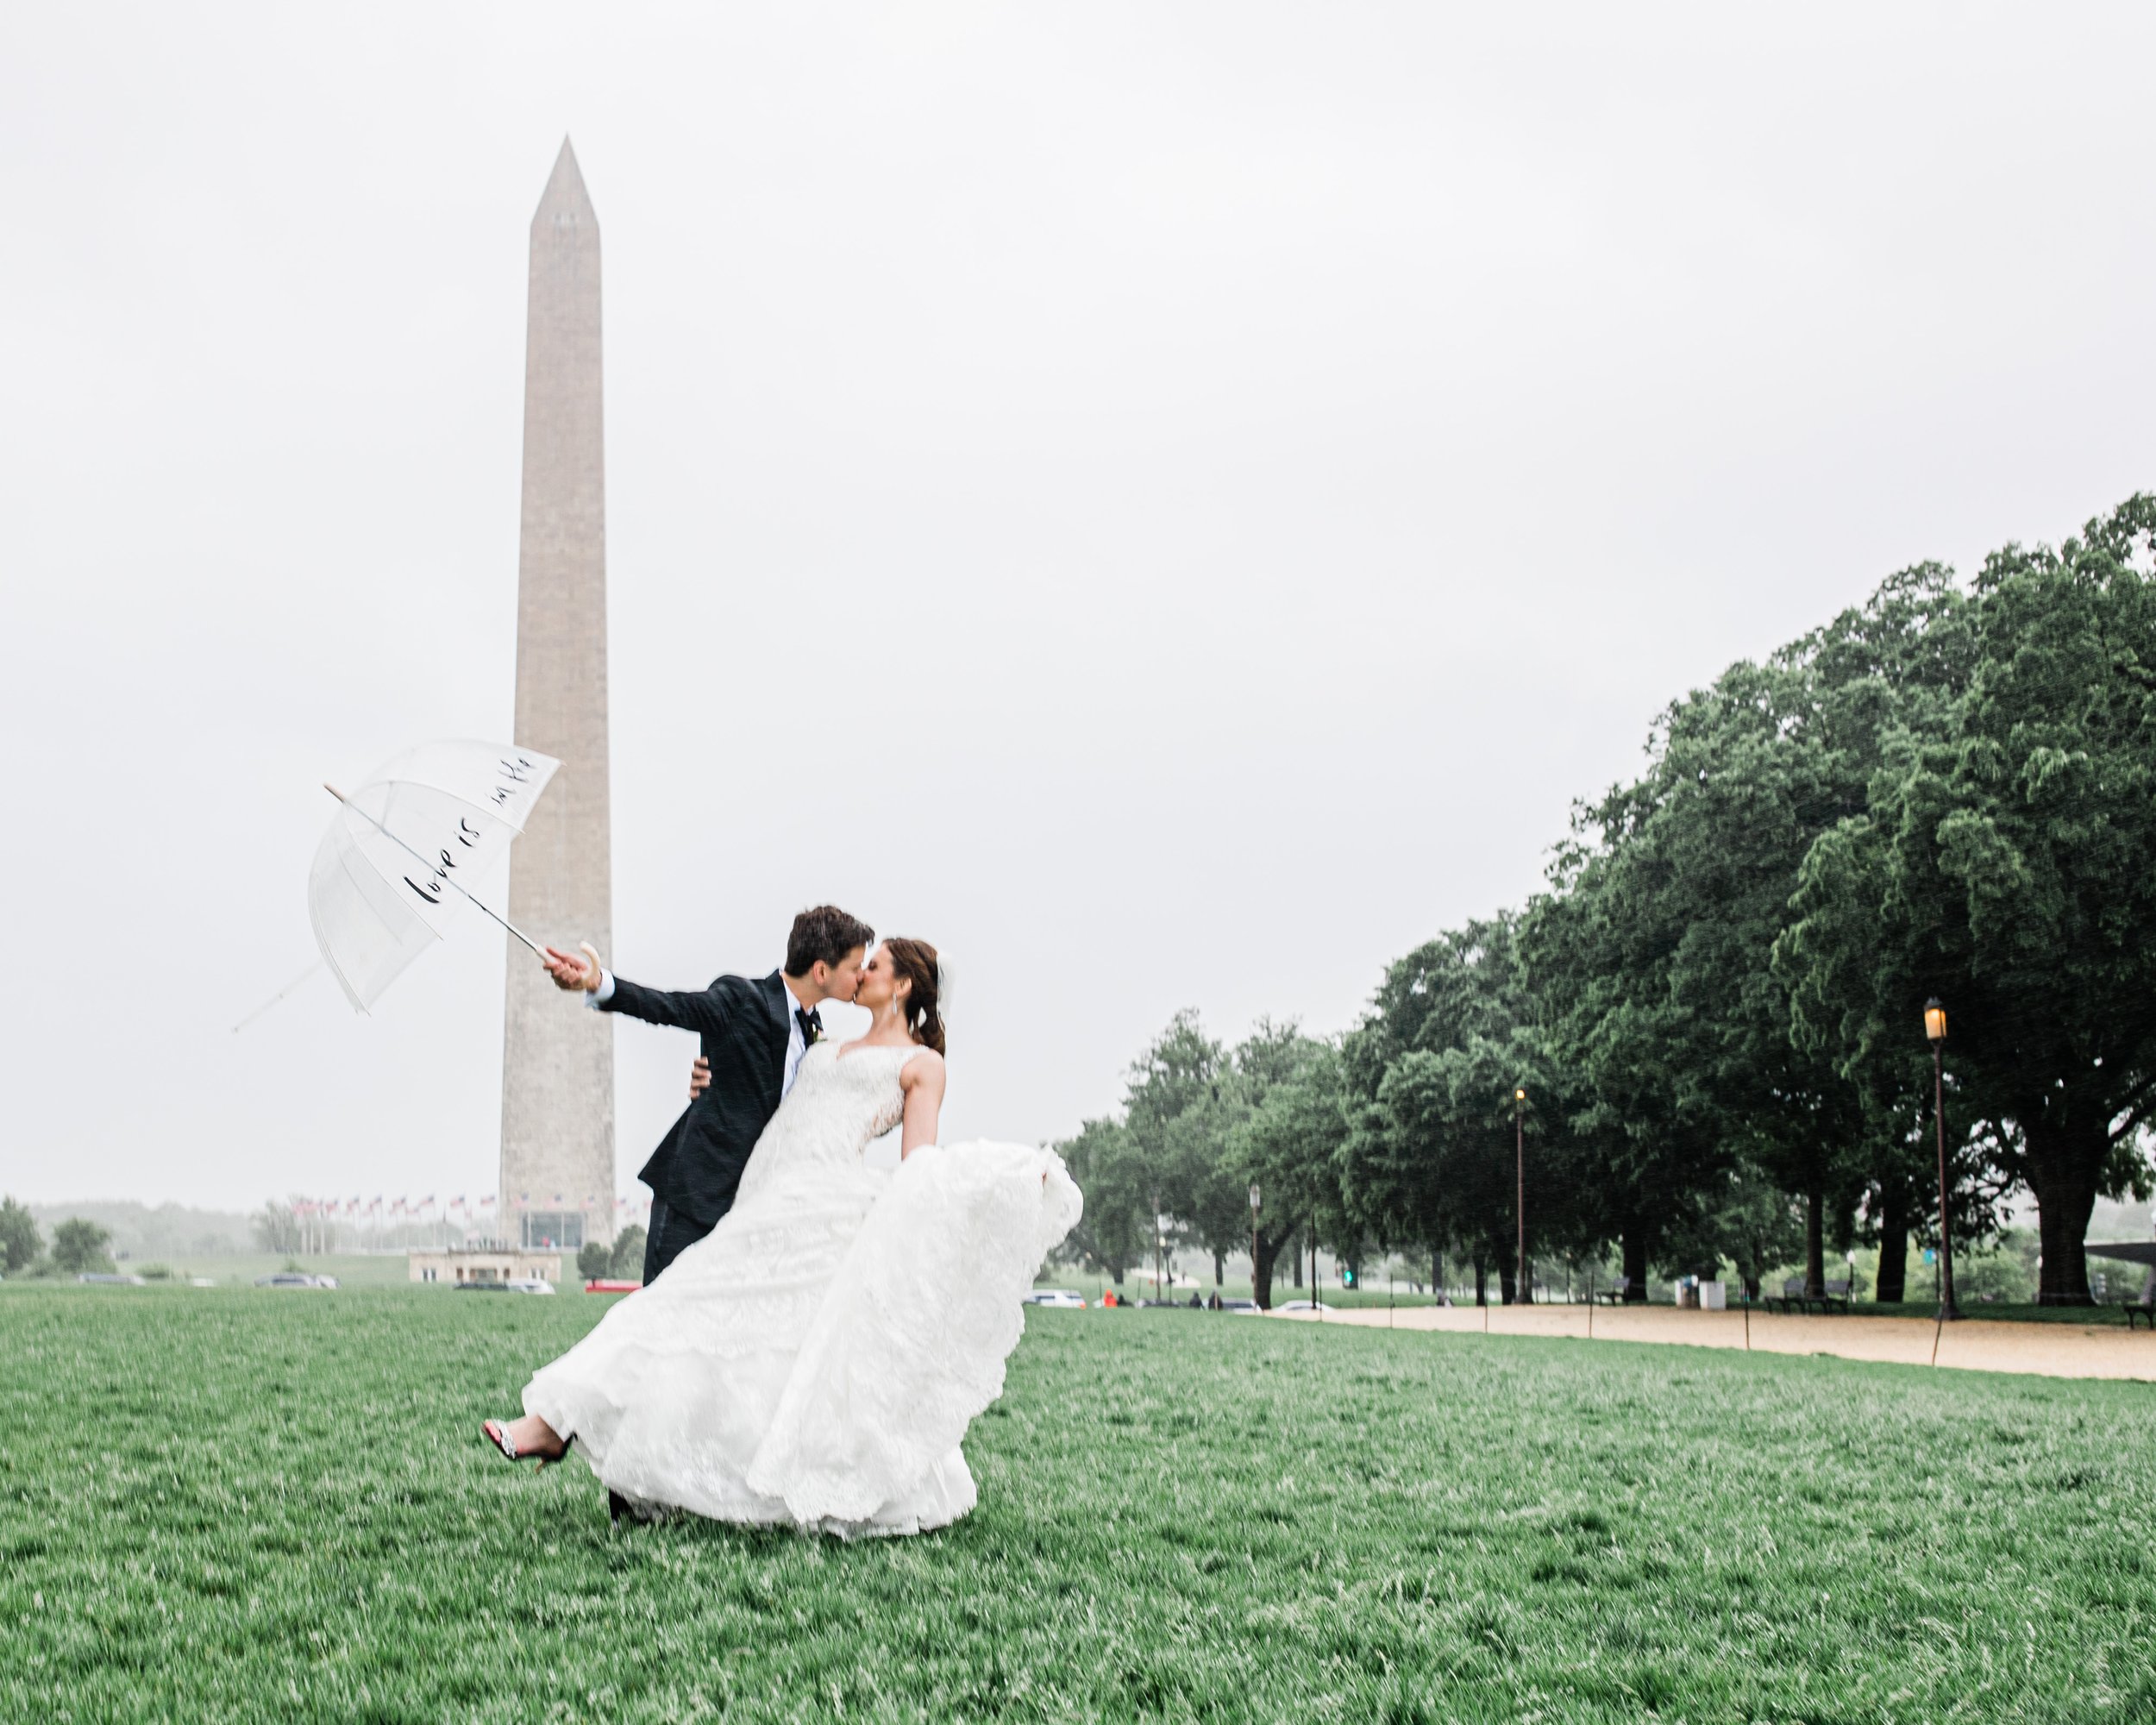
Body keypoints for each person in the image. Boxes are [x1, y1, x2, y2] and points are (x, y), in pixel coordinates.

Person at [480, 937, 1082, 1536]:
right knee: (676, 1320)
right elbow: (761, 1095)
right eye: (858, 965)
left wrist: (996, 1177)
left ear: (900, 986)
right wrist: (709, 1085)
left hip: (827, 1213)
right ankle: (572, 1430)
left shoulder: (922, 1065)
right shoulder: (822, 1043)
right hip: (763, 1204)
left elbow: (919, 1165)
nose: (859, 976)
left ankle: (560, 1431)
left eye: (872, 968)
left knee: (760, 1349)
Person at [537, 906, 873, 1286]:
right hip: (695, 1194)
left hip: (751, 1203)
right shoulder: (741, 998)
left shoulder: (814, 1028)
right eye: (855, 966)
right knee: (661, 1309)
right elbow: (670, 1007)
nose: (862, 975)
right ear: (822, 971)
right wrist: (598, 983)